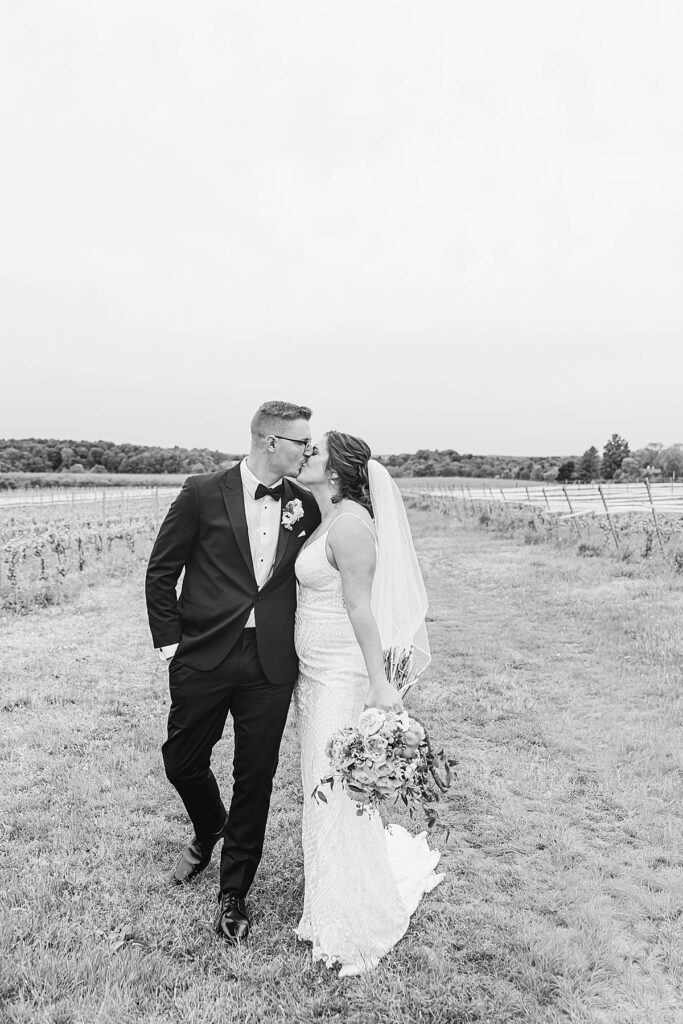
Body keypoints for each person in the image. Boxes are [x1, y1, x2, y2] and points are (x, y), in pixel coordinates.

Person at [145, 400, 320, 941]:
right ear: (271, 441)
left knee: (255, 777)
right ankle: (208, 825)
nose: (309, 451)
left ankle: (233, 892)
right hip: (204, 653)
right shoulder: (202, 492)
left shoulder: (306, 506)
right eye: (301, 443)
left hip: (271, 662)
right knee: (182, 760)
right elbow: (161, 573)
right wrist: (174, 649)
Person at [294, 430, 442, 977]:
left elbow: (361, 609)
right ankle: (329, 894)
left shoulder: (353, 525)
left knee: (330, 787)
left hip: (340, 675)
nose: (306, 456)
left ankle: (350, 918)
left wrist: (380, 683)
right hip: (312, 675)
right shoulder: (330, 515)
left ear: (336, 471)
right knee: (319, 784)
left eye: (315, 452)